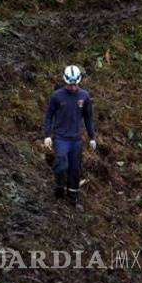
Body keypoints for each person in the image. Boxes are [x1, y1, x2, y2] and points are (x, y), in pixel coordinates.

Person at [43, 65, 96, 205]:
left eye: (75, 85)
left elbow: (88, 118)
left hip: (76, 139)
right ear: (65, 81)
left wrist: (92, 138)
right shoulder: (57, 96)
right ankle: (59, 186)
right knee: (61, 164)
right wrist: (47, 135)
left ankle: (72, 195)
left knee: (75, 168)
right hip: (61, 138)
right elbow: (49, 116)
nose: (72, 88)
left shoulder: (84, 96)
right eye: (69, 85)